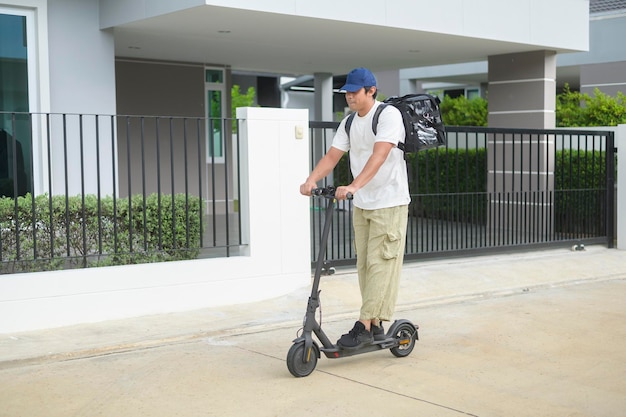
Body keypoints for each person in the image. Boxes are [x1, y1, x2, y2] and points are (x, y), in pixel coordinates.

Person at [299, 67, 410, 349]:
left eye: (354, 91)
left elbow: (381, 154)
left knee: (380, 263)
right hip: (363, 204)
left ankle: (365, 324)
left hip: (389, 201)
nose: (349, 96)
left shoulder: (388, 115)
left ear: (371, 91)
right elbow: (333, 155)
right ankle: (373, 324)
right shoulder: (349, 122)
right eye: (346, 91)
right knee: (364, 265)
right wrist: (311, 179)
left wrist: (352, 186)